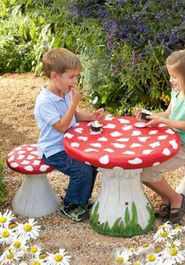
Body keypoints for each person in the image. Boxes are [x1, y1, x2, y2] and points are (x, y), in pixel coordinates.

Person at [134, 49, 185, 223]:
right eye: (170, 75)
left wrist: (161, 123)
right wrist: (149, 115)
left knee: (147, 171)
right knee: (141, 167)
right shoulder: (177, 91)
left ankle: (176, 199)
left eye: (175, 76)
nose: (171, 80)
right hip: (170, 141)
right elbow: (169, 114)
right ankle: (167, 198)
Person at [34, 48, 105, 222]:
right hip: (53, 150)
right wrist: (74, 103)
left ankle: (81, 200)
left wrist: (90, 117)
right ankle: (71, 205)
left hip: (69, 146)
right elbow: (62, 126)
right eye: (71, 77)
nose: (75, 81)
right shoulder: (45, 102)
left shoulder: (64, 92)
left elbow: (73, 116)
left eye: (76, 77)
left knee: (91, 163)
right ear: (54, 76)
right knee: (81, 169)